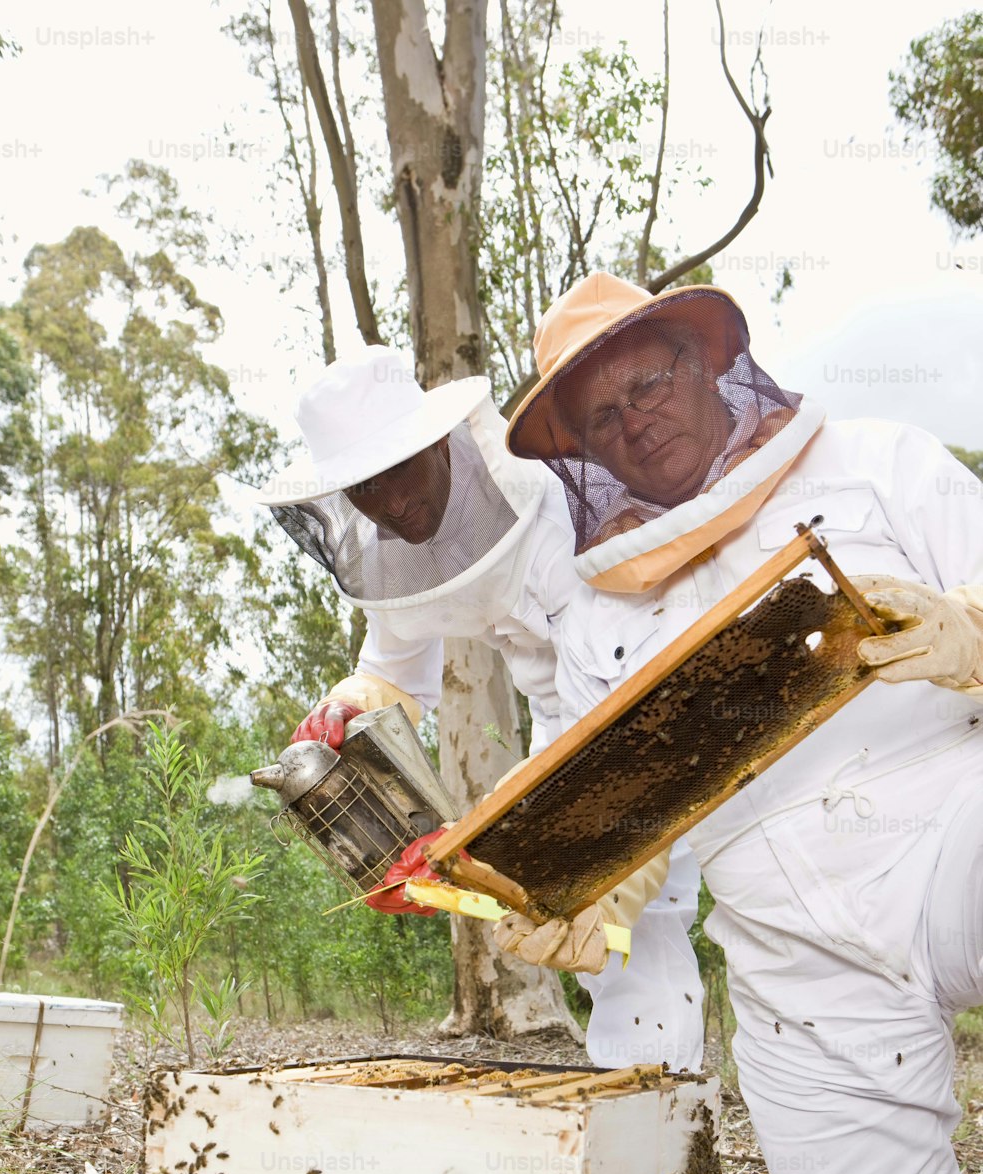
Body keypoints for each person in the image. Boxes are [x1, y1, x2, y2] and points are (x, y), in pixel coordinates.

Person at [500, 270, 983, 1174]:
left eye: (650, 380)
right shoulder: (591, 625)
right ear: (582, 451)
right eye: (603, 416)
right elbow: (627, 817)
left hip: (954, 834)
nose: (636, 420)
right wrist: (593, 886)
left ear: (710, 359)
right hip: (793, 948)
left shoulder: (879, 463)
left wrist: (968, 633)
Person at [250, 343, 705, 1069]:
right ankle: (637, 1113)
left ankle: (678, 1116)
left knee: (665, 909)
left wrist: (587, 853)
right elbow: (394, 670)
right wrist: (347, 713)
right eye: (364, 489)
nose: (392, 503)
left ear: (437, 441)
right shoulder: (390, 550)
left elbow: (628, 707)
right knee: (592, 939)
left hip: (659, 697)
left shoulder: (547, 503)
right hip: (561, 720)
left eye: (399, 470)